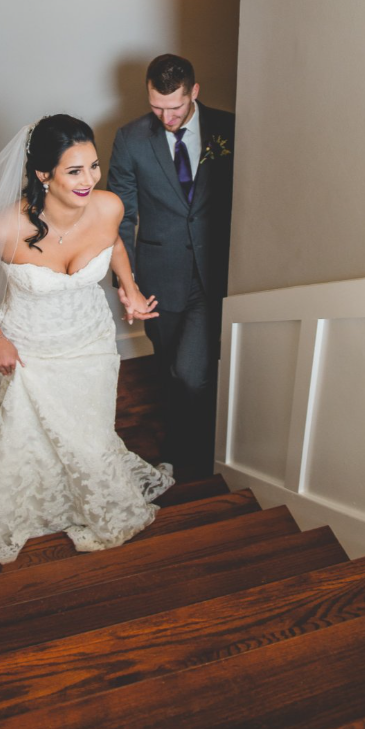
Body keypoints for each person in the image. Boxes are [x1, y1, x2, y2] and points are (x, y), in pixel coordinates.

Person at [0, 114, 174, 565]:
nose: (89, 180)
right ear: (44, 174)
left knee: (89, 431)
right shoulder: (6, 228)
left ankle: (85, 496)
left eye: (93, 166)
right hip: (31, 349)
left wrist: (130, 289)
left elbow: (115, 246)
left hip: (91, 340)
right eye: (74, 171)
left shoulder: (108, 207)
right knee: (27, 433)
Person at [108, 54, 235, 477]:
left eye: (175, 107)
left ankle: (192, 458)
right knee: (168, 368)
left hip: (216, 269)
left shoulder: (230, 128)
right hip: (159, 274)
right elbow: (121, 216)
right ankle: (183, 439)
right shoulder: (130, 139)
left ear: (194, 92)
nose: (166, 116)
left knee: (192, 372)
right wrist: (127, 284)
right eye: (157, 106)